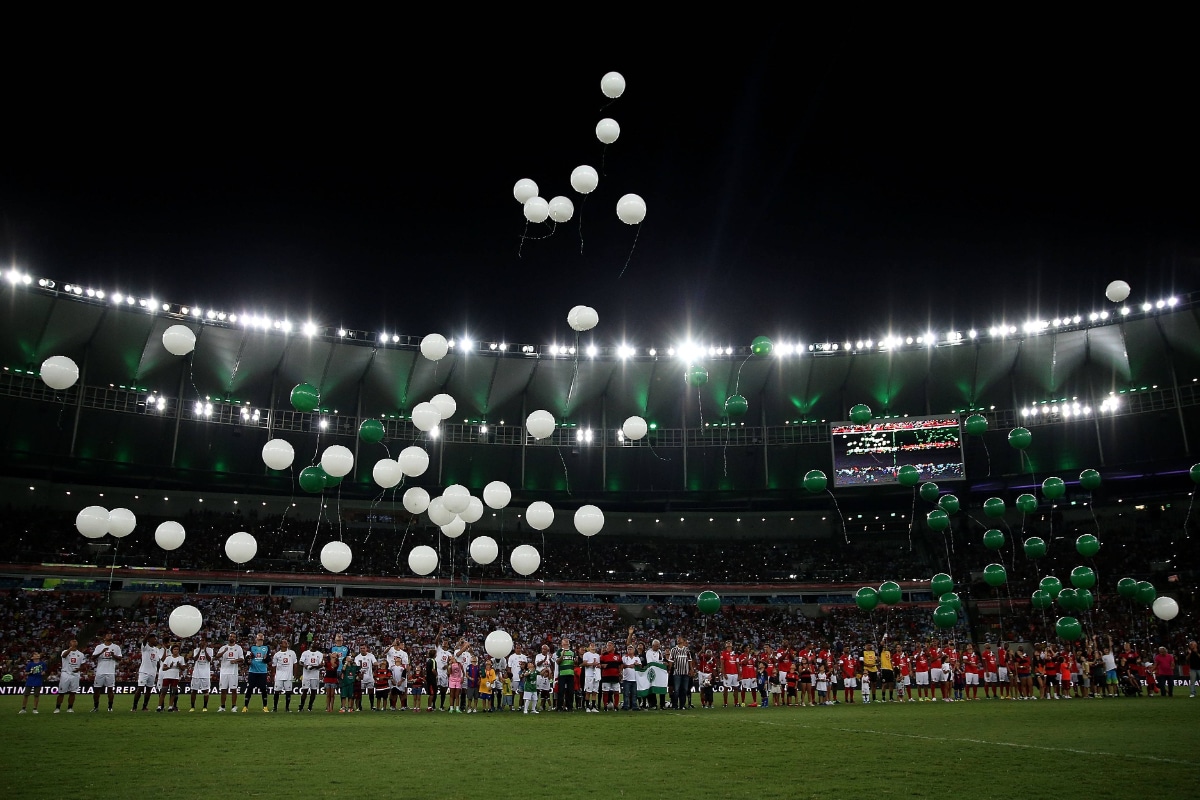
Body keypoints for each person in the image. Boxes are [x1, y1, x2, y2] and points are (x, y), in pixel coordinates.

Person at [91, 633, 122, 712]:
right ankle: (96, 707)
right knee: (97, 689)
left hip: (110, 671)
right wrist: (101, 652)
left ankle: (110, 707)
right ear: (104, 638)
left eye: (110, 635)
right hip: (100, 671)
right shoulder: (99, 647)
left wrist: (113, 655)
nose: (110, 636)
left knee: (110, 689)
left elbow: (120, 658)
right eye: (108, 635)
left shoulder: (116, 647)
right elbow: (93, 657)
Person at [132, 634, 164, 712]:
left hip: (152, 672)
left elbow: (158, 661)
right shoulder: (145, 647)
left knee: (149, 690)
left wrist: (158, 671)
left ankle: (144, 706)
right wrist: (150, 630)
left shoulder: (157, 649)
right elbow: (144, 640)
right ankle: (134, 707)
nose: (156, 640)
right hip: (144, 671)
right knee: (140, 688)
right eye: (154, 639)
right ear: (149, 640)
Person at [54, 638, 86, 713]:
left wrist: (78, 669)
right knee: (61, 692)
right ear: (69, 644)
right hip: (66, 673)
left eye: (75, 641)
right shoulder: (65, 651)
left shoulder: (81, 654)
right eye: (72, 642)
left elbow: (83, 665)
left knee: (73, 692)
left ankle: (70, 708)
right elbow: (64, 656)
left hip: (75, 674)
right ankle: (57, 708)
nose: (74, 642)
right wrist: (70, 649)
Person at [216, 632, 244, 712]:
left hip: (233, 672)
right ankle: (222, 706)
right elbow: (217, 656)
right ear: (228, 638)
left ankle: (234, 706)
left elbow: (242, 658)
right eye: (231, 636)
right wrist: (224, 651)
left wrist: (236, 660)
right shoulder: (223, 647)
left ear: (235, 639)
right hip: (224, 671)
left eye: (234, 637)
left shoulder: (238, 648)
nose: (232, 637)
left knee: (234, 689)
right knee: (223, 690)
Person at [189, 635, 214, 712]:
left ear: (206, 642)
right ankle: (192, 707)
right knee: (194, 691)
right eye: (201, 641)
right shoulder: (196, 650)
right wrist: (200, 650)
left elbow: (209, 659)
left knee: (206, 691)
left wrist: (205, 650)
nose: (202, 642)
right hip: (196, 673)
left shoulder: (210, 650)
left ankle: (205, 706)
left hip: (205, 674)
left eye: (203, 641)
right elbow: (195, 659)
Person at [668, 636, 693, 711]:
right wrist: (669, 669)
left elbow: (689, 660)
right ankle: (675, 705)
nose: (679, 640)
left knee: (684, 689)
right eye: (677, 639)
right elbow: (671, 661)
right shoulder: (673, 650)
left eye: (680, 639)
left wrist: (691, 669)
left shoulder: (686, 650)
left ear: (683, 640)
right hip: (677, 672)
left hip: (685, 673)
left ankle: (682, 705)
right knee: (676, 690)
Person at [272, 639, 298, 712]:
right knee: (276, 691)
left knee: (288, 692)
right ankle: (275, 708)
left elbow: (295, 664)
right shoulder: (277, 654)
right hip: (279, 676)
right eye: (284, 642)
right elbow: (273, 666)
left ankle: (287, 708)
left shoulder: (292, 653)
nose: (286, 643)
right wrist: (273, 675)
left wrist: (295, 674)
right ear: (280, 645)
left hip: (288, 676)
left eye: (287, 642)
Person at [159, 645, 185, 712]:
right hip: (167, 676)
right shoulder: (168, 658)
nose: (176, 650)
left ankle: (170, 706)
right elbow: (163, 668)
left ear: (179, 650)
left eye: (177, 649)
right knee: (163, 691)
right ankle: (159, 706)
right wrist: (169, 667)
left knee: (173, 692)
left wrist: (179, 665)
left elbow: (183, 669)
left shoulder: (181, 658)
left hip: (175, 676)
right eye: (174, 649)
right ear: (172, 650)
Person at [385, 639, 409, 710]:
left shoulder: (404, 653)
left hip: (401, 673)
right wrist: (391, 645)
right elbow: (384, 652)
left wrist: (408, 673)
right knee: (392, 691)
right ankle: (392, 706)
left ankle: (403, 705)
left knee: (403, 690)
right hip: (391, 672)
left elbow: (406, 664)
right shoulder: (390, 649)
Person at [298, 643, 323, 712]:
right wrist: (305, 666)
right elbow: (300, 662)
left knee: (313, 691)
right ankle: (301, 706)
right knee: (305, 690)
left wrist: (314, 667)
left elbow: (321, 665)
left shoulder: (320, 654)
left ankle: (310, 706)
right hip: (306, 675)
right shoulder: (305, 653)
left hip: (315, 675)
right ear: (311, 646)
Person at [598, 641, 622, 711]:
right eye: (607, 645)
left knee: (616, 691)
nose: (607, 647)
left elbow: (620, 664)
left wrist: (620, 671)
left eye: (609, 645)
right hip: (606, 676)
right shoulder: (603, 655)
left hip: (615, 676)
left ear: (613, 647)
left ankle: (616, 706)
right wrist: (602, 665)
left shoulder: (617, 655)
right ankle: (605, 706)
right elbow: (599, 664)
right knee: (605, 691)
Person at [555, 637, 576, 712]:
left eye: (567, 643)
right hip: (562, 673)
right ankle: (559, 707)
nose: (566, 645)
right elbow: (558, 662)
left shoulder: (572, 652)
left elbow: (574, 663)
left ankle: (569, 707)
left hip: (570, 673)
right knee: (561, 691)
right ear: (562, 644)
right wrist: (562, 656)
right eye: (564, 644)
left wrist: (575, 661)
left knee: (570, 691)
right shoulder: (559, 651)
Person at [355, 643, 378, 711]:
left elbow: (375, 663)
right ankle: (359, 706)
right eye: (361, 648)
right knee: (360, 693)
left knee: (371, 692)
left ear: (366, 648)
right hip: (361, 678)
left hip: (369, 677)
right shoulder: (357, 657)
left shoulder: (371, 655)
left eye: (363, 648)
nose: (362, 650)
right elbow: (356, 668)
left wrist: (377, 664)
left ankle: (372, 706)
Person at [581, 642, 602, 713]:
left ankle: (593, 707)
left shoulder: (597, 655)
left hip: (596, 675)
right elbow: (584, 663)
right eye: (591, 645)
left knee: (594, 691)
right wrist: (591, 664)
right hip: (589, 675)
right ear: (589, 647)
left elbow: (598, 664)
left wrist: (598, 665)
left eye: (594, 645)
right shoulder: (586, 654)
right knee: (588, 691)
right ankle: (587, 707)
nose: (593, 646)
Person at [620, 643, 641, 711]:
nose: (629, 650)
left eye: (630, 649)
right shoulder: (624, 657)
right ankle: (626, 705)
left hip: (635, 679)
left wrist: (637, 665)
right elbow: (622, 666)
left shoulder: (637, 658)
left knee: (634, 694)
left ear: (634, 650)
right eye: (628, 649)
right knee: (626, 693)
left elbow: (640, 667)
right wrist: (629, 666)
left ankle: (634, 705)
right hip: (626, 678)